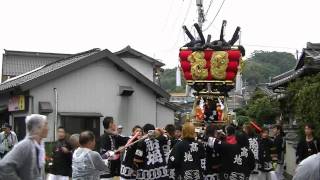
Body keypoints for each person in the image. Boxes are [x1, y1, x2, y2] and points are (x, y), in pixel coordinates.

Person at [0, 114, 49, 180]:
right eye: (45, 124)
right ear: (38, 127)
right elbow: (4, 166)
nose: (48, 128)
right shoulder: (26, 145)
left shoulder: (39, 146)